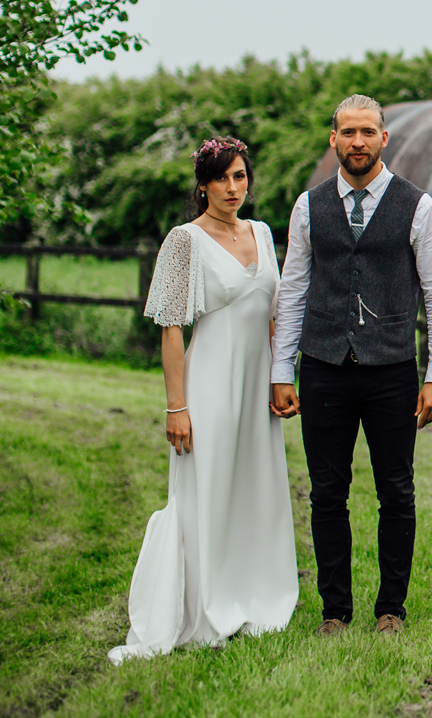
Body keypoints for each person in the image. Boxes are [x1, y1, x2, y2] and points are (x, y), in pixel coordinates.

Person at [269, 94, 432, 638]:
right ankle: (335, 611)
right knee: (328, 493)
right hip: (324, 365)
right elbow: (294, 290)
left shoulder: (417, 206)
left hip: (391, 369)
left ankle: (391, 609)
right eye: (347, 132)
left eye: (367, 132)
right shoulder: (308, 207)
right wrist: (284, 370)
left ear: (384, 138)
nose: (357, 142)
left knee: (396, 490)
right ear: (333, 139)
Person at [108, 137, 298, 664]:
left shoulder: (262, 233)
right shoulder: (183, 241)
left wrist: (282, 377)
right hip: (208, 381)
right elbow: (171, 330)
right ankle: (205, 603)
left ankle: (258, 593)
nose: (233, 188)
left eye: (240, 177)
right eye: (222, 179)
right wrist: (177, 407)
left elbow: (276, 315)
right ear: (203, 185)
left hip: (257, 382)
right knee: (205, 489)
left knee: (254, 487)